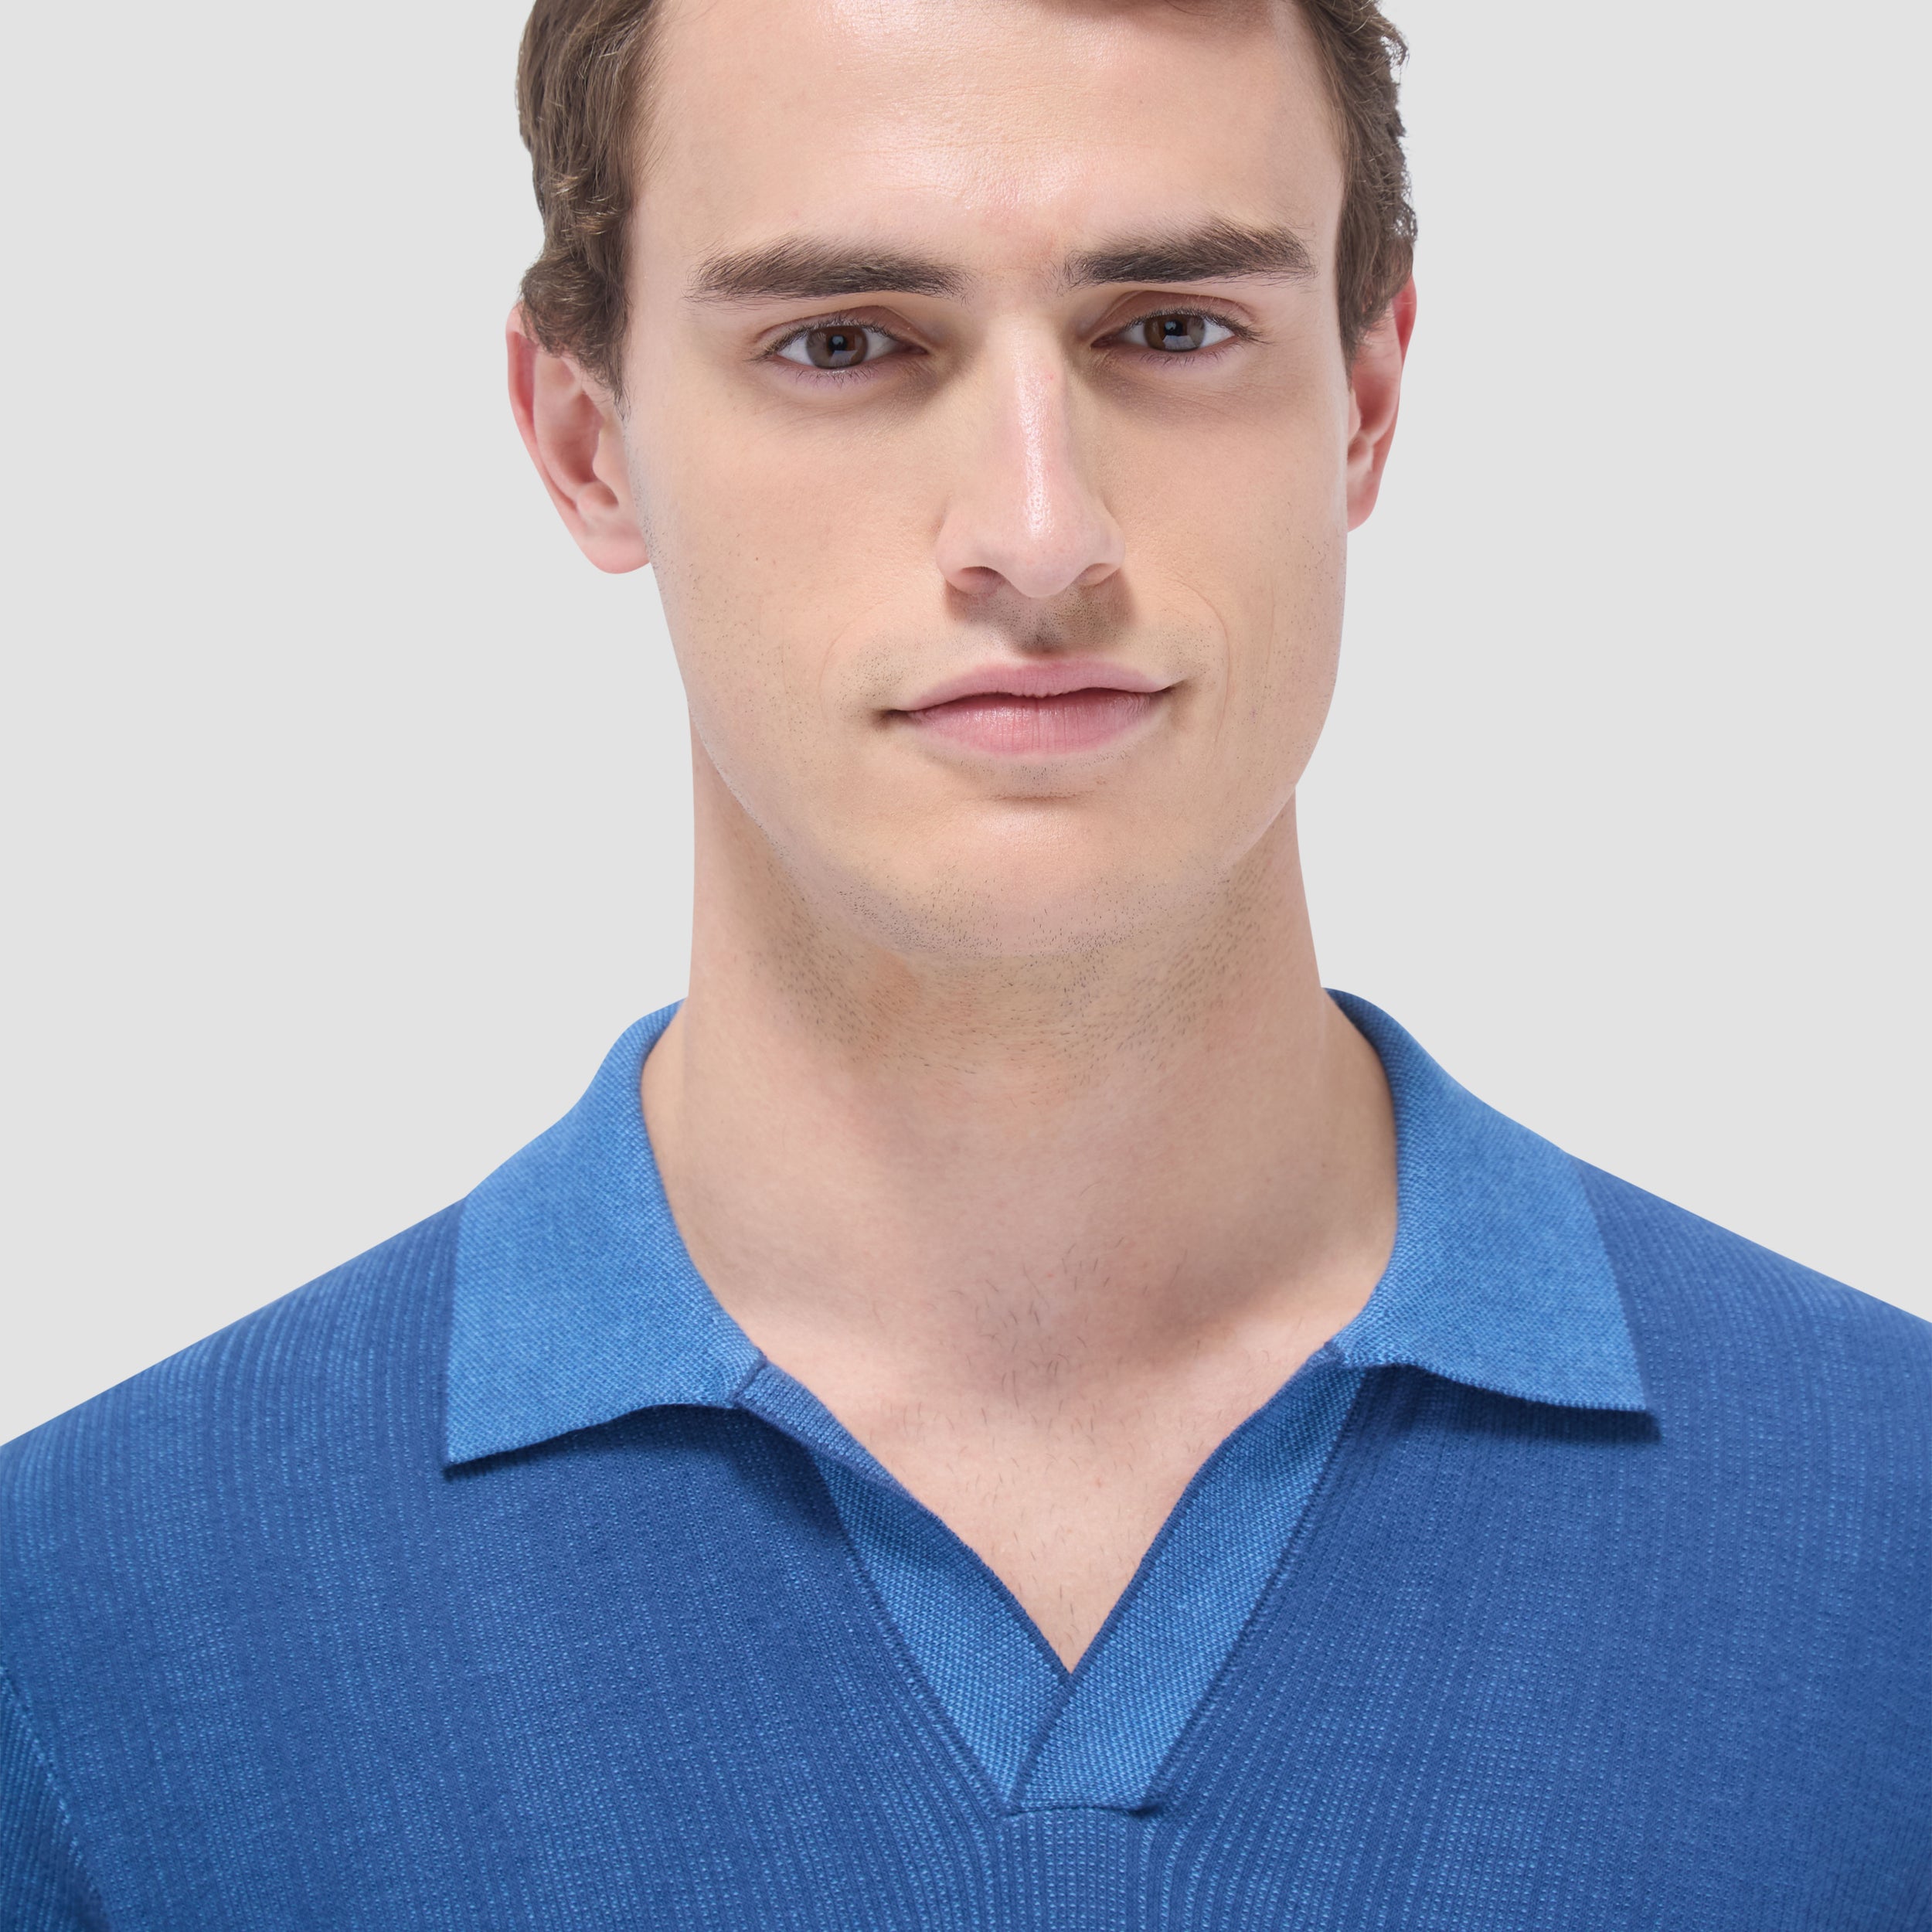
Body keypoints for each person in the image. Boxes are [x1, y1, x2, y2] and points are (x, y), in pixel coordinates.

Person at [3, 0, 1926, 1923]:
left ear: (1363, 395)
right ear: (584, 440)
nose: (1037, 531)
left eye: (1170, 329)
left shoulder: (1884, 1531)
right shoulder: (86, 1630)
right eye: (842, 342)